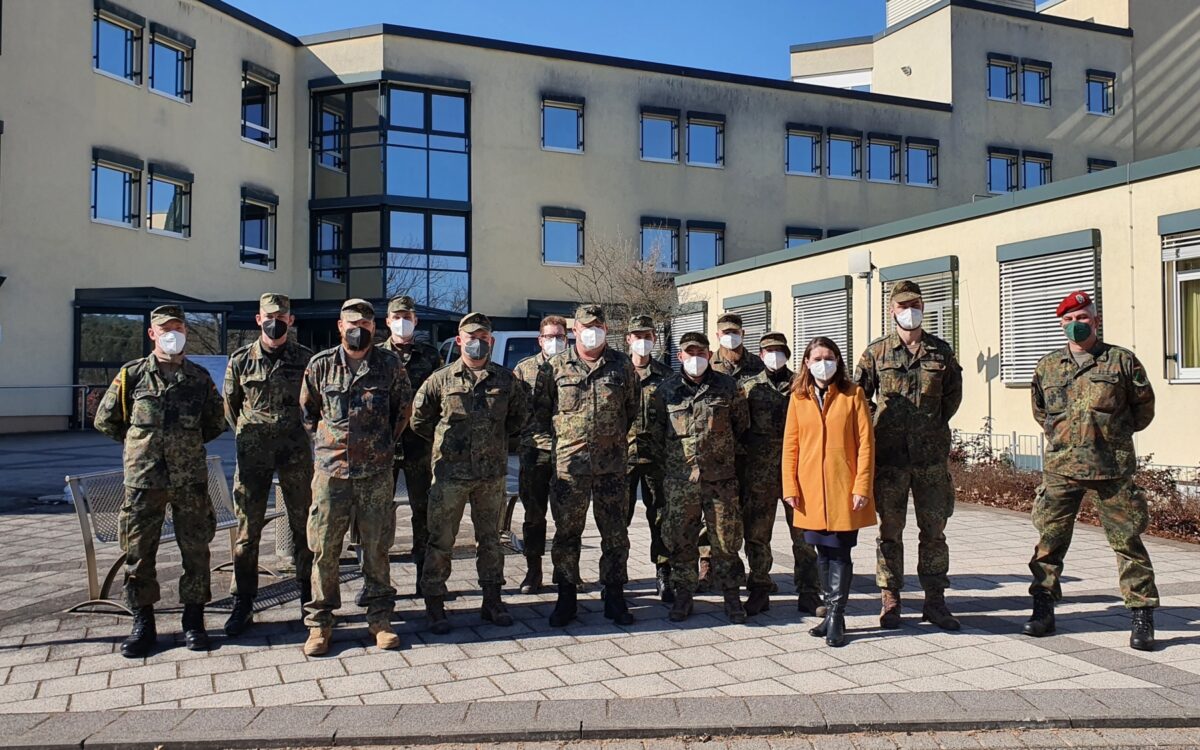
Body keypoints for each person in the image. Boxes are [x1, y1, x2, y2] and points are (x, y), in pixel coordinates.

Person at [1024, 291, 1159, 651]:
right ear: (1061, 325)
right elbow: (1041, 412)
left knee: (1128, 543)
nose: (1076, 325)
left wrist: (1112, 436)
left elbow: (1143, 411)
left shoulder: (1121, 361)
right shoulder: (1048, 366)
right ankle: (1043, 609)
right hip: (1062, 468)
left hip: (1111, 468)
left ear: (1095, 321)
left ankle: (1141, 614)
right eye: (1068, 320)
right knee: (1049, 544)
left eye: (1082, 318)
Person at [94, 304, 226, 658]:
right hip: (144, 479)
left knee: (196, 551)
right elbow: (107, 421)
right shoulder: (133, 375)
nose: (172, 334)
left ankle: (194, 622)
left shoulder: (198, 378)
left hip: (189, 481)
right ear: (152, 333)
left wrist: (182, 449)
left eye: (178, 327)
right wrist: (142, 447)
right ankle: (143, 624)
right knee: (139, 553)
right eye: (164, 328)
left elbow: (215, 423)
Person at [299, 299, 412, 655]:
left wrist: (378, 446)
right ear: (339, 326)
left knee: (376, 547)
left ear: (374, 328)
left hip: (375, 472)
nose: (358, 329)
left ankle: (380, 620)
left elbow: (401, 412)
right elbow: (308, 412)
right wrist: (332, 445)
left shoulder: (390, 366)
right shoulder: (320, 366)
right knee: (325, 549)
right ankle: (320, 625)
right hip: (332, 473)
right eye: (352, 323)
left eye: (365, 324)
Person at [855, 280, 963, 631]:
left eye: (915, 304)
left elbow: (951, 399)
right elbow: (859, 399)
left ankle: (935, 601)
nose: (909, 310)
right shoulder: (876, 353)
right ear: (892, 310)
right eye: (903, 306)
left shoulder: (941, 352)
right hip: (890, 461)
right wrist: (879, 425)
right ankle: (891, 600)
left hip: (930, 460)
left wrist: (928, 427)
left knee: (934, 531)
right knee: (890, 532)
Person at [411, 313, 527, 633]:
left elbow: (519, 418)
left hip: (490, 476)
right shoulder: (440, 379)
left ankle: (492, 601)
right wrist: (445, 446)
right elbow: (419, 420)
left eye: (483, 337)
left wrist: (499, 443)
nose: (477, 343)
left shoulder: (506, 380)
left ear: (490, 341)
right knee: (441, 541)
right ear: (460, 341)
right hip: (450, 475)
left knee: (490, 540)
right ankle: (435, 604)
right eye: (470, 337)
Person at [531, 304, 639, 627]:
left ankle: (615, 596)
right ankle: (566, 598)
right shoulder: (555, 367)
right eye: (586, 326)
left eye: (598, 325)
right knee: (566, 534)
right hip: (570, 470)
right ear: (574, 329)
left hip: (612, 468)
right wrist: (558, 450)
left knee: (616, 535)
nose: (592, 331)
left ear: (606, 329)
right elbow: (540, 415)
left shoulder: (622, 366)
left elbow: (631, 410)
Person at [222, 293, 315, 636]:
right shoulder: (241, 360)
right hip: (253, 456)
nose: (276, 321)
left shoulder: (306, 359)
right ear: (258, 319)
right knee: (248, 533)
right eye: (269, 316)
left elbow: (314, 406)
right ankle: (243, 603)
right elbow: (230, 408)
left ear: (290, 321)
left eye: (282, 316)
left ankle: (309, 599)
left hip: (296, 453)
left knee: (304, 527)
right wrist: (252, 435)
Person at [783, 336, 876, 647]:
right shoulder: (798, 398)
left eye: (829, 356)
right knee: (821, 552)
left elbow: (866, 445)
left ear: (838, 360)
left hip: (842, 489)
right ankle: (829, 613)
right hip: (810, 491)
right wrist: (789, 486)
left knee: (840, 552)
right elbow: (790, 447)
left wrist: (861, 484)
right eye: (817, 357)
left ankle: (837, 615)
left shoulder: (854, 395)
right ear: (807, 363)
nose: (824, 362)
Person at [650, 332, 749, 623]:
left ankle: (731, 597)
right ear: (680, 356)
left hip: (721, 480)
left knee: (726, 541)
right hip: (681, 482)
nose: (696, 359)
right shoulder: (665, 391)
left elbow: (741, 426)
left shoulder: (728, 387)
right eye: (689, 353)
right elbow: (656, 437)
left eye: (701, 353)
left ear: (709, 354)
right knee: (682, 541)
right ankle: (684, 595)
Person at [740, 332, 821, 616]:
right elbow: (739, 428)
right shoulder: (748, 387)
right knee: (757, 534)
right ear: (760, 356)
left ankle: (810, 591)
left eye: (779, 350)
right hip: (758, 472)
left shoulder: (803, 386)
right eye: (768, 351)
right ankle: (759, 587)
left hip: (797, 473)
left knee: (804, 535)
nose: (774, 355)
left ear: (788, 354)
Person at [374, 294, 443, 601]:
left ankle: (424, 580)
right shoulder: (374, 356)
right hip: (383, 446)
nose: (402, 322)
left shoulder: (429, 356)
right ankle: (375, 582)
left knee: (423, 512)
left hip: (420, 445)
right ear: (387, 321)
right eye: (396, 317)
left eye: (408, 317)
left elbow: (439, 401)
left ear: (415, 321)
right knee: (377, 514)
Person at [699, 312, 766, 590]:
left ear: (743, 333)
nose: (731, 336)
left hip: (752, 455)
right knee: (710, 514)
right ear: (717, 336)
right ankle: (707, 566)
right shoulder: (707, 365)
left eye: (735, 331)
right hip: (716, 456)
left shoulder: (757, 365)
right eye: (725, 332)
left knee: (752, 515)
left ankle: (756, 573)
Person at [511, 315, 568, 594]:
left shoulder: (575, 368)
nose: (554, 341)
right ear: (540, 339)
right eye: (549, 336)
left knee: (567, 516)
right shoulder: (524, 370)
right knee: (534, 515)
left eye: (559, 336)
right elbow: (512, 411)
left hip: (568, 451)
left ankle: (565, 570)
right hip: (534, 452)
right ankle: (533, 571)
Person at [624, 315, 673, 602]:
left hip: (658, 457)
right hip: (623, 457)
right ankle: (615, 576)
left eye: (648, 335)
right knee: (619, 519)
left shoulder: (667, 376)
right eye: (636, 335)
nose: (642, 340)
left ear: (654, 338)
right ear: (628, 338)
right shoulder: (617, 373)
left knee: (661, 518)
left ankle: (664, 573)